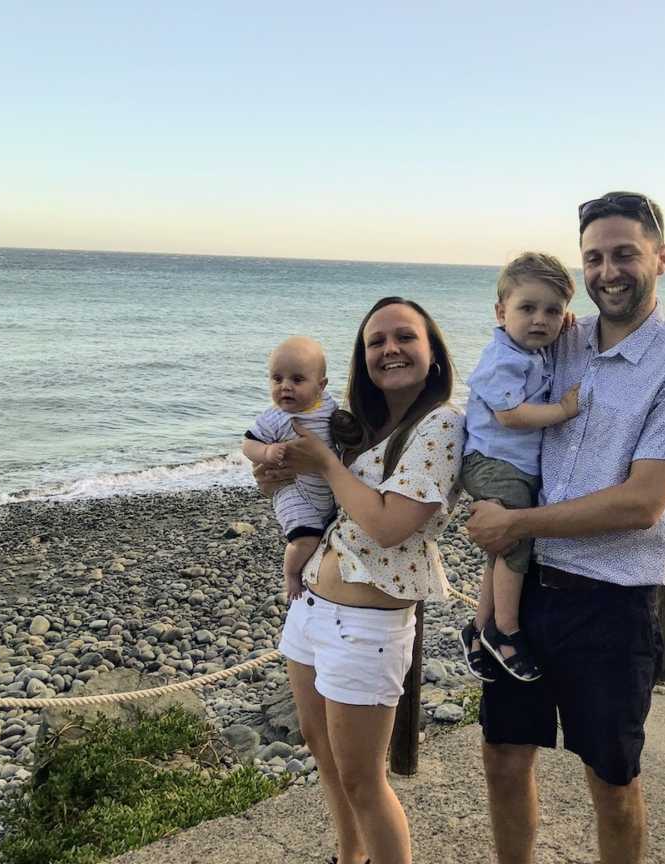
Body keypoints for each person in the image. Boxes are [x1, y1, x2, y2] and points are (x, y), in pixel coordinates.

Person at [467, 193, 665, 864]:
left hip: (611, 605)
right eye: (595, 258)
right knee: (503, 756)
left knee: (612, 780)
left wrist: (513, 520)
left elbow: (643, 503)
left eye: (625, 254)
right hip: (532, 585)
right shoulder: (561, 338)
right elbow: (489, 398)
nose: (610, 270)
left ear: (660, 258)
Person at [253, 297, 464, 864]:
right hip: (312, 608)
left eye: (405, 337)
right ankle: (350, 857)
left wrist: (324, 464)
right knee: (322, 752)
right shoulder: (358, 426)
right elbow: (299, 493)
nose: (390, 349)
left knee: (364, 780)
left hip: (368, 622)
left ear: (433, 353)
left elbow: (389, 526)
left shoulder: (440, 425)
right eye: (376, 342)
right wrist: (273, 472)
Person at [458, 252, 579, 684]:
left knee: (501, 549)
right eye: (527, 309)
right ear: (501, 312)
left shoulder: (534, 347)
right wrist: (563, 410)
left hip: (514, 463)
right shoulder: (501, 358)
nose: (540, 320)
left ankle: (479, 629)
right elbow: (511, 415)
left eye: (552, 311)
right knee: (514, 538)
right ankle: (505, 629)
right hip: (492, 461)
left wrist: (566, 322)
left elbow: (555, 324)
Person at [242, 336, 338, 600]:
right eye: (277, 379)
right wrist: (267, 452)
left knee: (327, 532)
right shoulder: (275, 417)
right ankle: (291, 573)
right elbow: (248, 444)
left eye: (297, 380)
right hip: (293, 491)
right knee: (306, 539)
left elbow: (341, 427)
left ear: (321, 386)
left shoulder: (329, 406)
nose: (285, 387)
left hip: (325, 490)